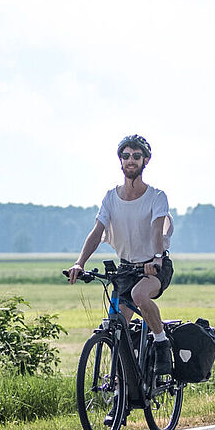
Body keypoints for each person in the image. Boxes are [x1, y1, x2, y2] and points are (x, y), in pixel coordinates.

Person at [68, 134, 175, 375]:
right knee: (117, 326)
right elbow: (97, 232)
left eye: (136, 156)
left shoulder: (156, 196)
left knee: (139, 294)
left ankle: (161, 342)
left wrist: (157, 258)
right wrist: (79, 262)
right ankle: (120, 388)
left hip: (153, 266)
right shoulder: (110, 197)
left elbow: (158, 229)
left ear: (145, 160)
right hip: (126, 268)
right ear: (120, 160)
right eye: (125, 156)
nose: (130, 160)